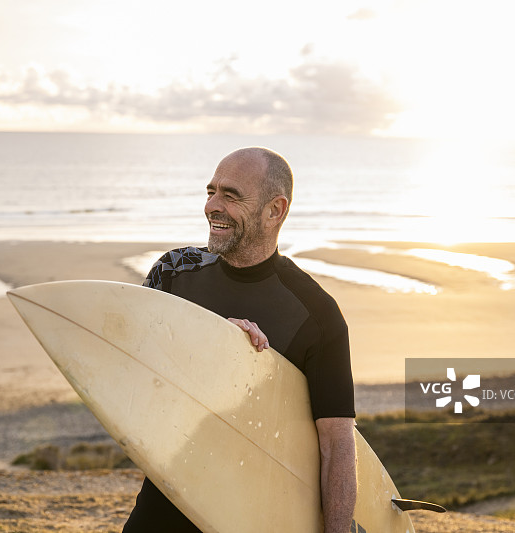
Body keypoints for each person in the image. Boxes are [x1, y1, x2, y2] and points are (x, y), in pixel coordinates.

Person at [122, 147, 357, 533]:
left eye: (230, 196)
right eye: (210, 192)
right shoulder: (174, 272)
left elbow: (336, 444)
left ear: (274, 210)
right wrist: (209, 340)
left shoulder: (316, 315)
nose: (212, 206)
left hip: (255, 511)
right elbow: (131, 376)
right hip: (168, 498)